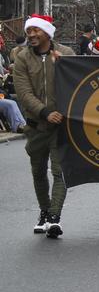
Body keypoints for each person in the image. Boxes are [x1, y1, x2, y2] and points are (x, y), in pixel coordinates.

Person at [12, 15, 75, 237]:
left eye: (35, 31)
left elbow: (79, 84)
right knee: (38, 171)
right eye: (29, 31)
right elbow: (23, 92)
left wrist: (65, 66)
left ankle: (54, 218)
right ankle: (44, 210)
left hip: (60, 126)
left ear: (47, 33)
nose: (31, 35)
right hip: (36, 125)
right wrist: (45, 112)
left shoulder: (66, 54)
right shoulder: (21, 58)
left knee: (60, 172)